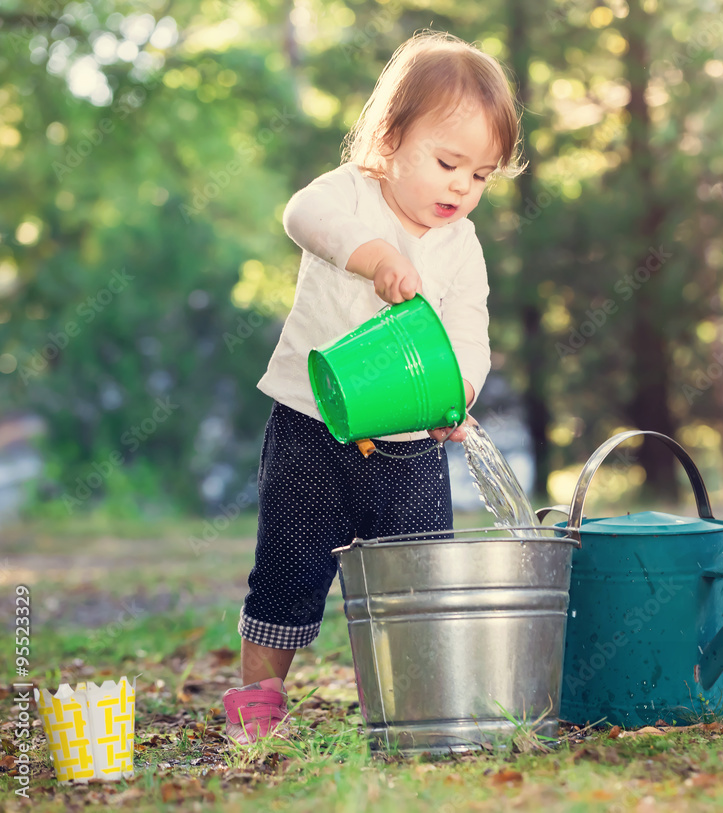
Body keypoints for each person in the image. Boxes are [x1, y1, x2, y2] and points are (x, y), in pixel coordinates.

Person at [222, 30, 524, 745]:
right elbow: (302, 217)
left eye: (480, 175)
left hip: (411, 445)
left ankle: (413, 710)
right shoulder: (351, 194)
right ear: (389, 139)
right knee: (287, 571)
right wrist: (375, 256)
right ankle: (259, 706)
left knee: (417, 583)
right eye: (448, 162)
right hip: (310, 426)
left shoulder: (462, 246)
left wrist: (464, 386)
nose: (461, 186)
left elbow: (469, 324)